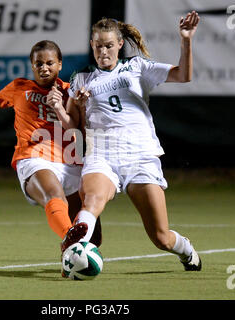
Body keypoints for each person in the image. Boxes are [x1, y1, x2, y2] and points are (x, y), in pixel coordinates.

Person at [49, 11, 202, 271]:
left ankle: (186, 250)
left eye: (109, 45)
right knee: (92, 202)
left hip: (140, 154)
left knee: (161, 237)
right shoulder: (81, 79)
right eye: (98, 46)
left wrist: (186, 40)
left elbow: (183, 75)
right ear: (91, 46)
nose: (103, 51)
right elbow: (73, 125)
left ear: (120, 44)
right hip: (101, 154)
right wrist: (62, 110)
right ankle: (74, 253)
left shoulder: (138, 67)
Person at [0, 40, 102, 255]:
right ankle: (70, 238)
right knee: (53, 194)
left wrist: (81, 106)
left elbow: (80, 130)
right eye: (38, 63)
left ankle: (73, 250)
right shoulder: (20, 87)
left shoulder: (71, 92)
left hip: (70, 161)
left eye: (50, 62)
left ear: (60, 64)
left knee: (94, 239)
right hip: (34, 156)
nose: (44, 68)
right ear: (32, 66)